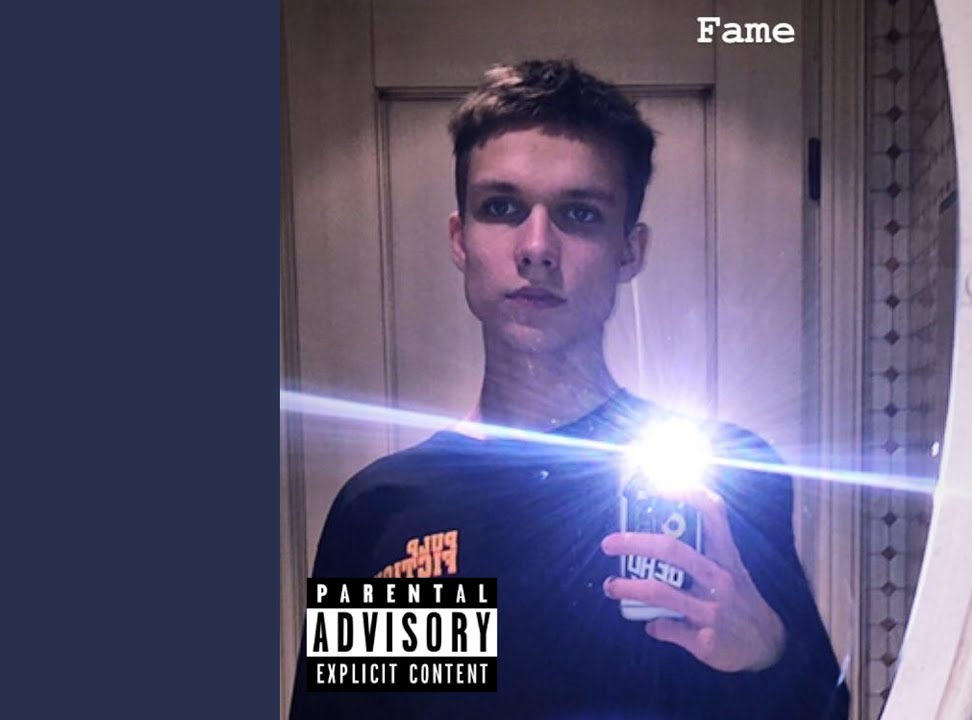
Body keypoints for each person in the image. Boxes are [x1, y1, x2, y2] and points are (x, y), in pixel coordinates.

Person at [289, 59, 849, 720]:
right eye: (501, 208)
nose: (536, 247)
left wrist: (766, 657)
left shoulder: (725, 480)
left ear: (629, 250)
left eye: (579, 214)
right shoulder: (388, 509)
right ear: (460, 239)